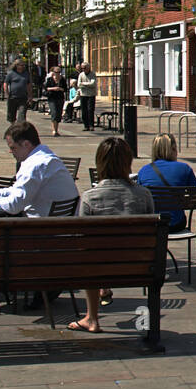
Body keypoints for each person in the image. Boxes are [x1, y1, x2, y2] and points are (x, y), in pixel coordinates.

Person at [70, 137, 154, 331]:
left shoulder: (90, 197)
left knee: (90, 259)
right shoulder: (144, 195)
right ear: (128, 162)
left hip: (98, 267)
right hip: (139, 266)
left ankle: (92, 318)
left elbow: (82, 242)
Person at [0, 121, 78, 218]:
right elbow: (17, 191)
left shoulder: (34, 165)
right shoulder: (46, 157)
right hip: (59, 226)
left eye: (13, 148)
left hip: (40, 231)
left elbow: (13, 206)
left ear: (26, 144)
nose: (10, 152)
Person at [137, 134, 196, 231]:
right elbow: (194, 198)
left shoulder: (143, 171)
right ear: (173, 149)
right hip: (176, 224)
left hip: (153, 223)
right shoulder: (184, 168)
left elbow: (140, 199)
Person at [4, 57, 31, 125]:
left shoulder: (26, 74)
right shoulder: (11, 73)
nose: (22, 67)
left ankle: (20, 127)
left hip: (23, 97)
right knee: (11, 115)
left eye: (23, 65)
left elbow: (28, 85)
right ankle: (13, 126)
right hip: (13, 96)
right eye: (21, 65)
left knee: (22, 114)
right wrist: (7, 93)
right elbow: (5, 84)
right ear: (16, 65)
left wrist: (30, 95)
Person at [43, 63, 67, 138]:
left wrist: (60, 89)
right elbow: (46, 88)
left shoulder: (62, 79)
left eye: (59, 72)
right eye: (56, 72)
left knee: (59, 113)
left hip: (60, 97)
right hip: (52, 98)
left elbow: (65, 89)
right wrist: (53, 88)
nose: (58, 74)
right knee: (54, 112)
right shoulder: (49, 79)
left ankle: (57, 129)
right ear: (53, 72)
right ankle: (54, 130)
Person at [76, 62, 97, 131]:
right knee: (84, 110)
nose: (83, 69)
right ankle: (86, 125)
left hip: (91, 94)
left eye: (84, 68)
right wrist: (87, 84)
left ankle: (91, 125)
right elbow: (79, 84)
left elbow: (93, 84)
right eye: (82, 68)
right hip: (83, 94)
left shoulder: (92, 74)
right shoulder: (81, 75)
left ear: (88, 68)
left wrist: (83, 84)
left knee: (90, 110)